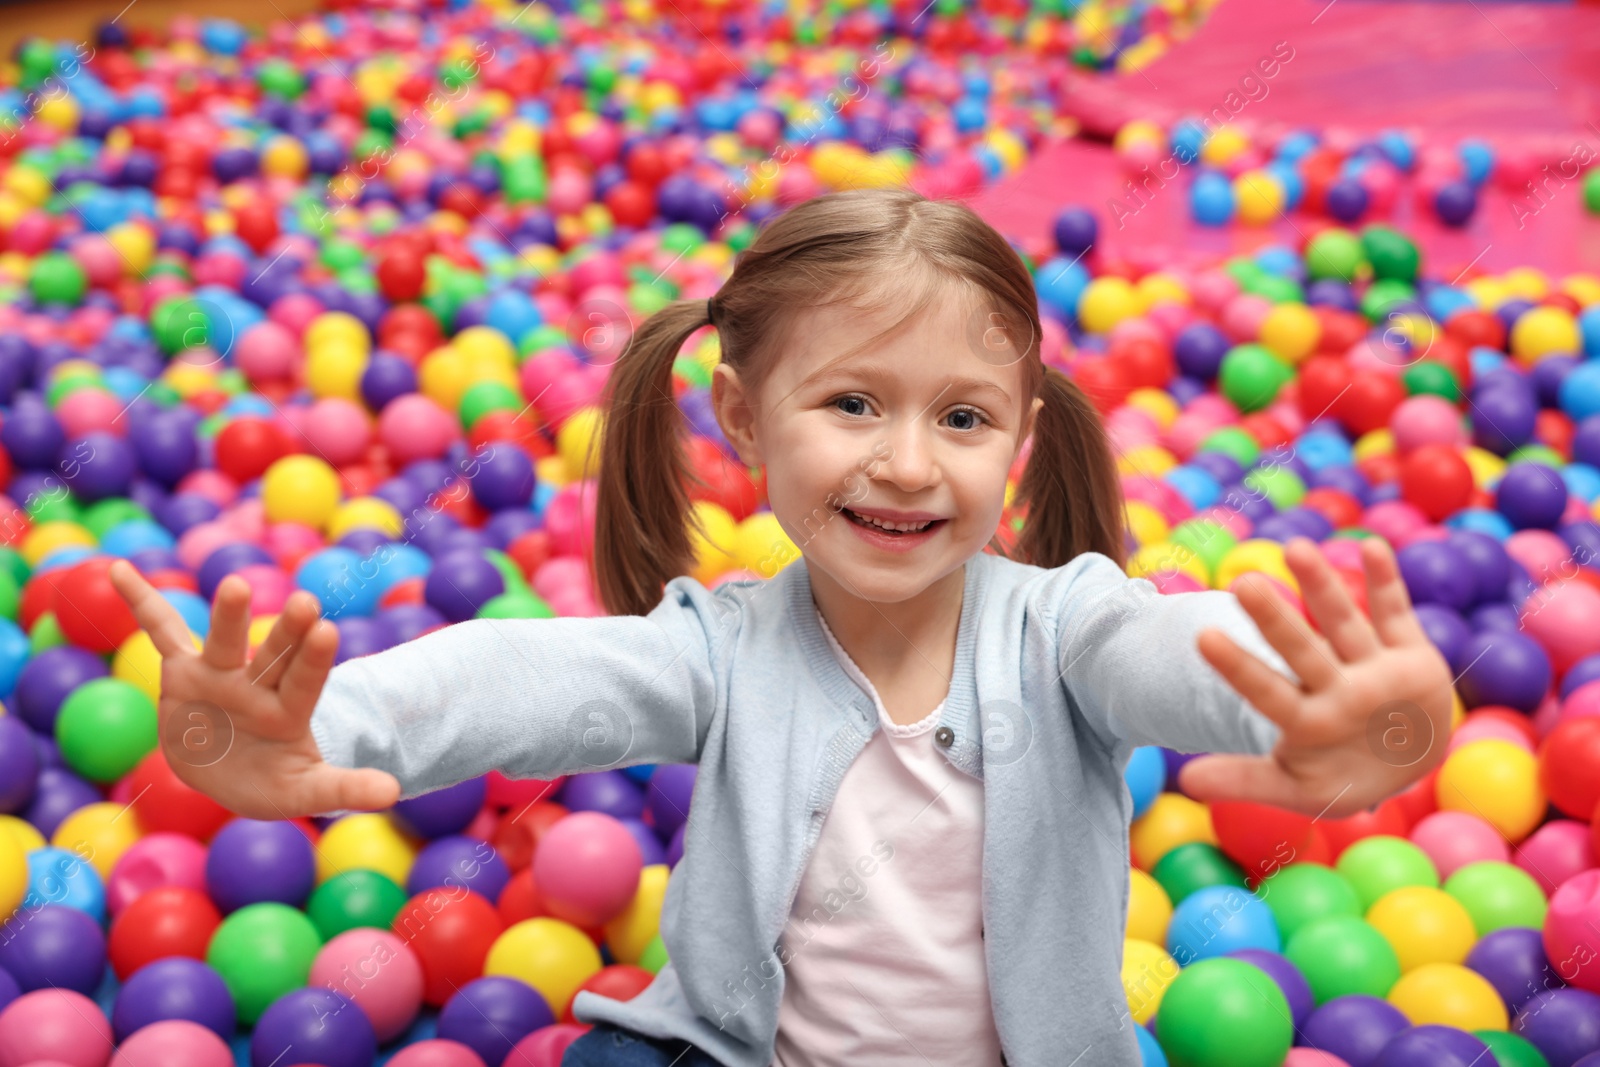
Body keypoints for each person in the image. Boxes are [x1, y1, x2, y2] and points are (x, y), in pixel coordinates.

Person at [109, 187, 1454, 1067]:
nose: (910, 464)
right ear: (744, 419)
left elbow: (1178, 651)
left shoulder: (1064, 628)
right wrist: (329, 722)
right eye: (854, 405)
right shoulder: (724, 642)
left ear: (1022, 441)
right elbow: (527, 670)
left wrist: (1321, 701)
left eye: (963, 418)